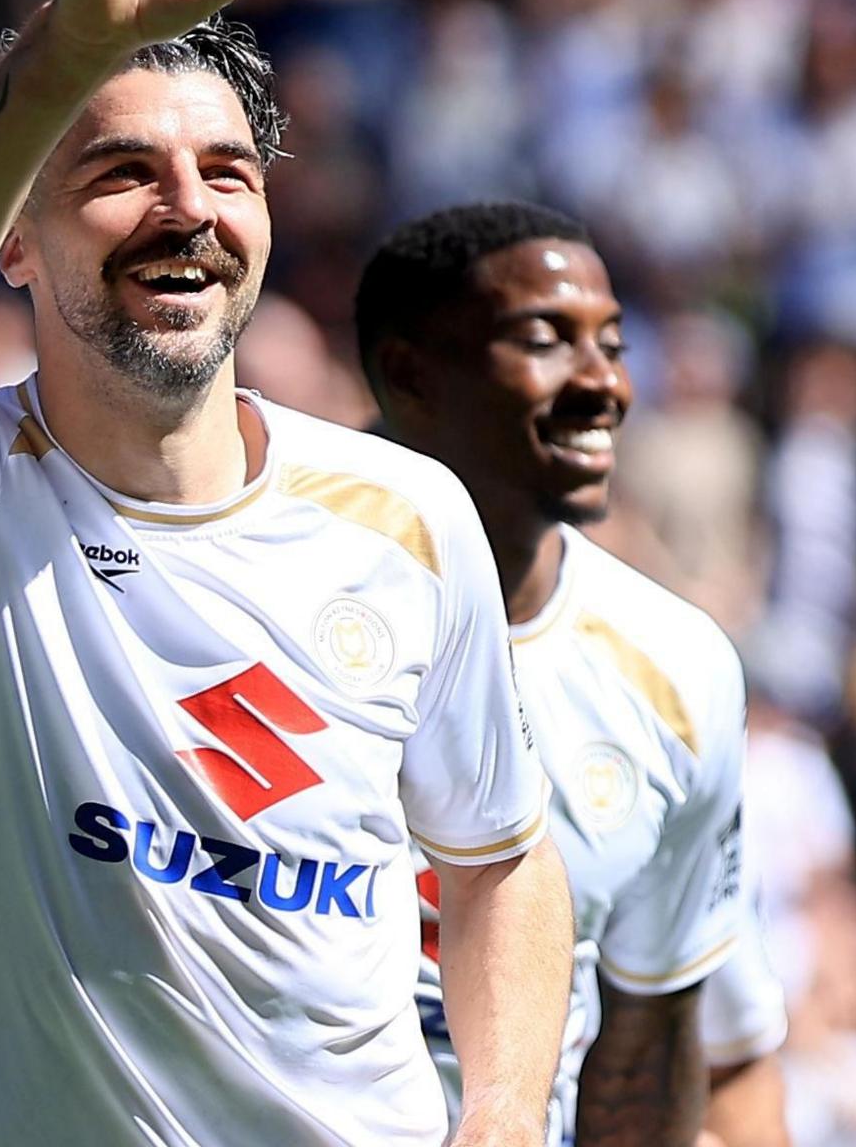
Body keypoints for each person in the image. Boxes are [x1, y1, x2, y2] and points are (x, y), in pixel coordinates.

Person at [0, 0, 572, 1147]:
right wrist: (59, 60)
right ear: (13, 246)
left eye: (226, 171)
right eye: (118, 174)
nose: (185, 208)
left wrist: (506, 1118)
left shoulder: (408, 515)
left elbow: (504, 860)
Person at [355, 201, 792, 1147]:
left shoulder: (676, 673)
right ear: (408, 373)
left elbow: (659, 1050)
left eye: (614, 343)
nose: (605, 385)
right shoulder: (262, 589)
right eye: (547, 340)